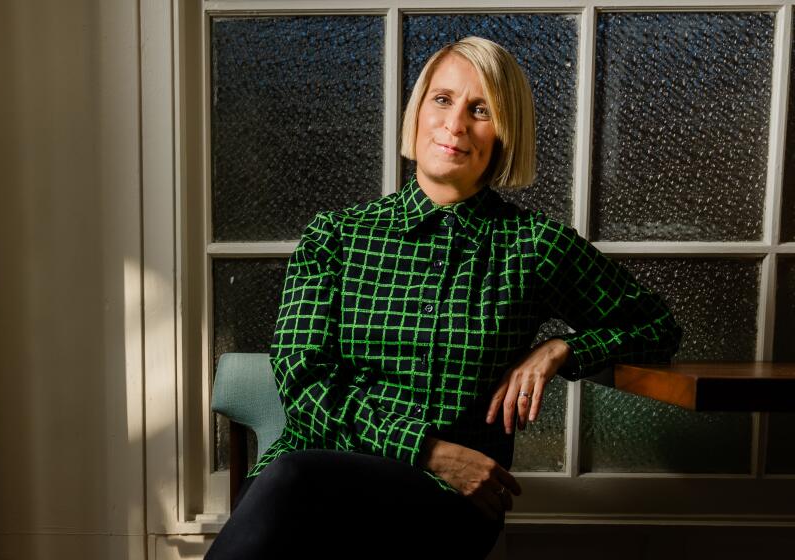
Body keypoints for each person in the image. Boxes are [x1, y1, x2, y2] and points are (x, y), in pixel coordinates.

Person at [205, 36, 682, 560]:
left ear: (505, 133)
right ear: (417, 112)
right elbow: (303, 383)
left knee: (291, 485)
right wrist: (428, 451)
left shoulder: (536, 247)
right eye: (443, 99)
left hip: (444, 501)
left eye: (480, 110)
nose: (455, 124)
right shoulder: (336, 237)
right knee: (293, 477)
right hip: (309, 479)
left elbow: (657, 325)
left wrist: (560, 351)